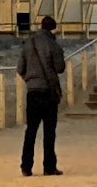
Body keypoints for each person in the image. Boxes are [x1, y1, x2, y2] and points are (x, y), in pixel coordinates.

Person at [17, 14, 66, 177]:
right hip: (49, 92)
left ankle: (26, 166)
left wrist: (30, 80)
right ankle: (49, 167)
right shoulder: (53, 45)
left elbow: (20, 68)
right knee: (49, 131)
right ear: (53, 29)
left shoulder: (28, 43)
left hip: (33, 91)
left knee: (31, 130)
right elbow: (60, 68)